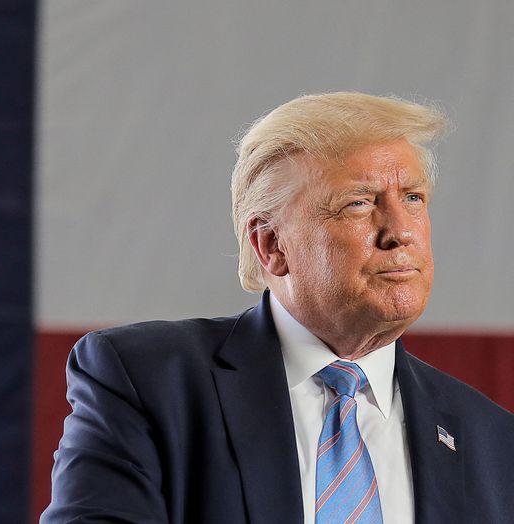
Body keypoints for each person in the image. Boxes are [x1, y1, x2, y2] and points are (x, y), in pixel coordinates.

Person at [41, 92, 514, 523]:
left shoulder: (491, 440)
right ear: (272, 246)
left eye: (413, 198)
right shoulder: (147, 382)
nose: (399, 231)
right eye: (357, 203)